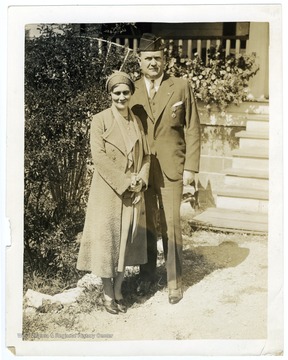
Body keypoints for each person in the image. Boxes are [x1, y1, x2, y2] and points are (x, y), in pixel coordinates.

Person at [130, 33, 201, 305]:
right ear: (139, 61)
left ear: (164, 60)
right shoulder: (132, 89)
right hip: (144, 168)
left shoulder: (180, 86)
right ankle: (147, 276)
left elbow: (193, 128)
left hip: (173, 167)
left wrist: (191, 169)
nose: (153, 63)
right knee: (147, 224)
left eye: (157, 59)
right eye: (148, 59)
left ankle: (174, 280)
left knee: (171, 224)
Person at [77, 71, 150, 314]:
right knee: (107, 241)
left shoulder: (136, 122)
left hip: (133, 191)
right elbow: (99, 157)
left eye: (125, 92)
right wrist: (125, 181)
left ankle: (118, 290)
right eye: (116, 93)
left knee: (126, 242)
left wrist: (141, 179)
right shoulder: (100, 120)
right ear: (110, 94)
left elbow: (146, 156)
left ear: (131, 94)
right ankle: (107, 294)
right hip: (109, 190)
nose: (121, 97)